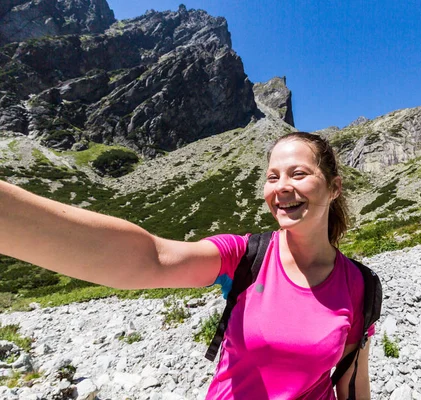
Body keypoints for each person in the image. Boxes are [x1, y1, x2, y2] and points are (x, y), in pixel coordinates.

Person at [0, 131, 374, 399]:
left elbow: (351, 385)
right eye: (272, 177)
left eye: (298, 174)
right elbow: (152, 258)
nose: (281, 187)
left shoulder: (361, 286)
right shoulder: (244, 256)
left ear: (334, 187)